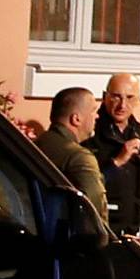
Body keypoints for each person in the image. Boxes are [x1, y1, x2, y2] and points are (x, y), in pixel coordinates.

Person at [91, 72, 140, 238]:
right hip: (104, 228)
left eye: (130, 97)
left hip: (138, 230)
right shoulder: (91, 132)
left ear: (138, 100)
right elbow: (88, 184)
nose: (122, 105)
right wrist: (117, 161)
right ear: (105, 97)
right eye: (116, 96)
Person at [36, 87, 107, 220]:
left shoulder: (39, 143)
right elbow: (94, 215)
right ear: (76, 119)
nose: (97, 116)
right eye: (93, 111)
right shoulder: (79, 157)